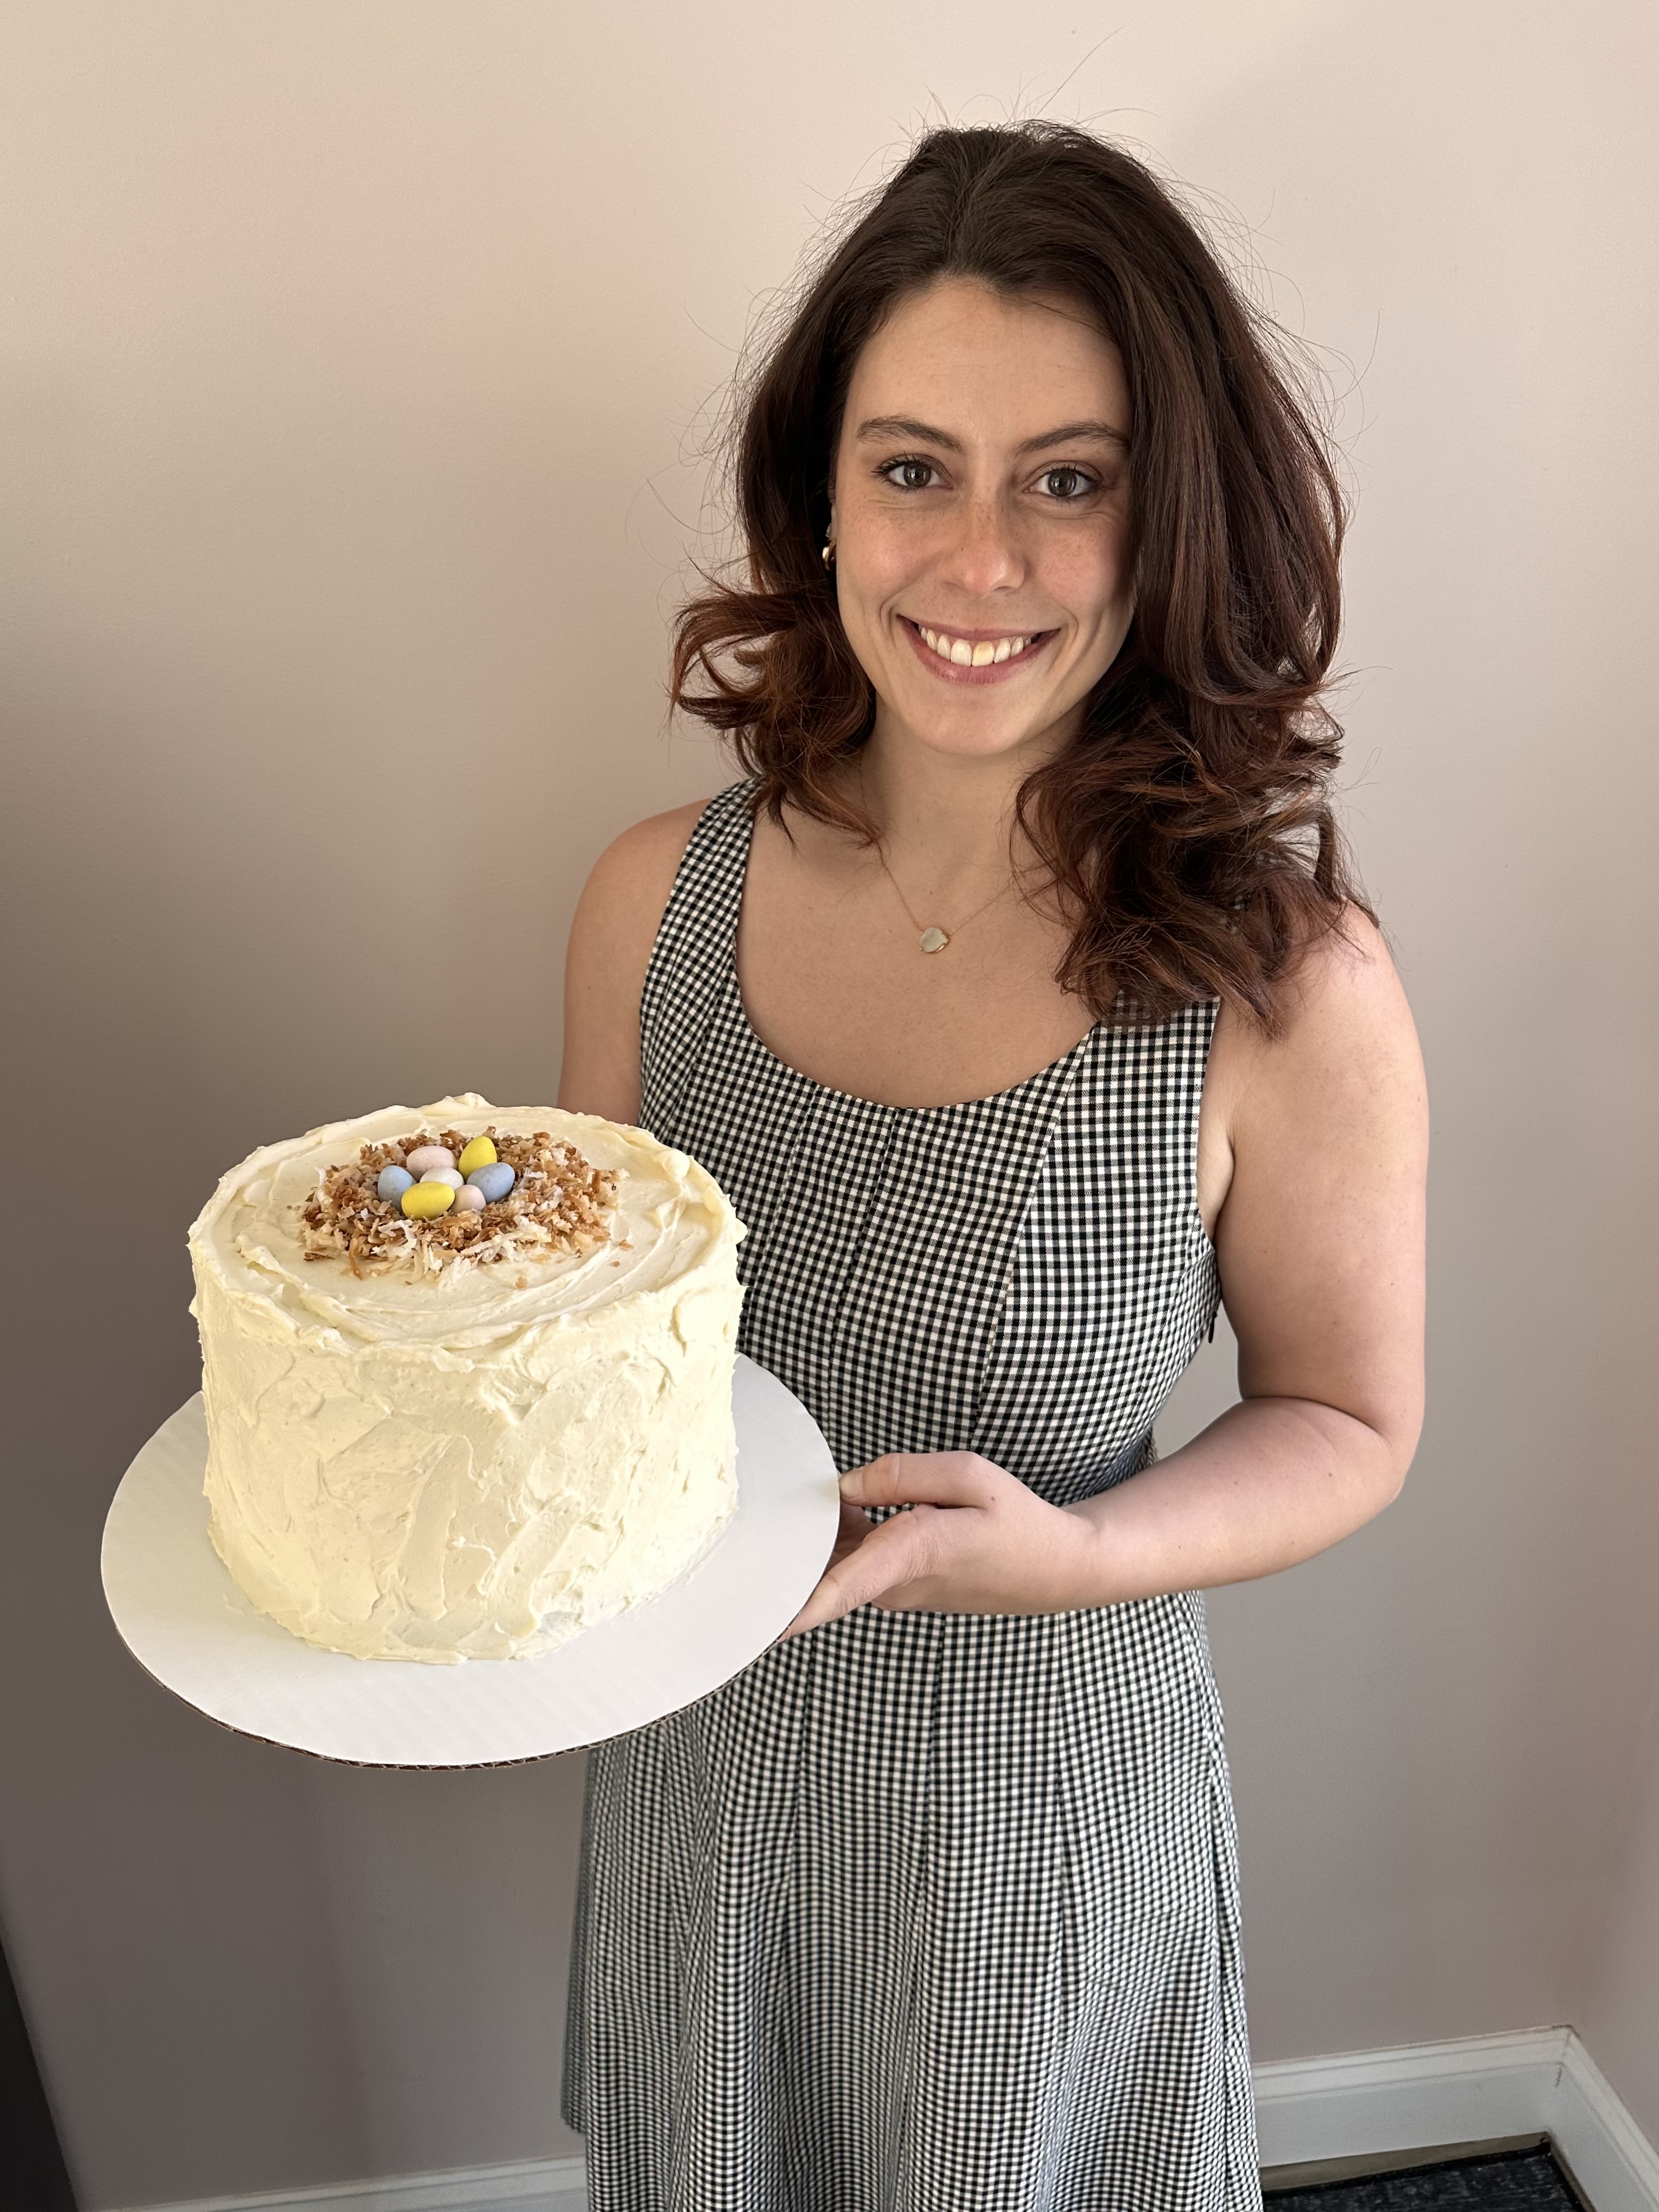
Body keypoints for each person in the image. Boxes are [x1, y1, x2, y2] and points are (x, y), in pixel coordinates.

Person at [557, 121, 1426, 2212]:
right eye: (912, 467)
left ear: (1171, 513)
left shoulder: (1278, 980)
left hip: (1034, 1815)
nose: (978, 564)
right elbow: (584, 1342)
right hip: (710, 1787)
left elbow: (1346, 1416)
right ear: (821, 499)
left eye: (1070, 477)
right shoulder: (645, 904)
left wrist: (1079, 1553)